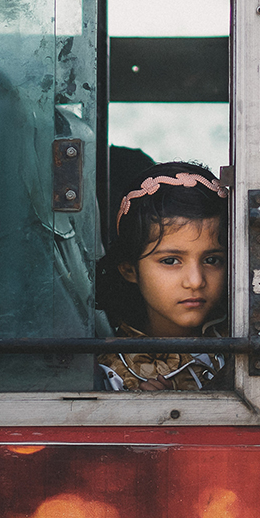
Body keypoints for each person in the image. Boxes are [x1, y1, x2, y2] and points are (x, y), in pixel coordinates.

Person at [96, 161, 229, 391]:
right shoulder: (111, 373)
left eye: (211, 260)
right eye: (170, 261)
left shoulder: (244, 346)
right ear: (130, 269)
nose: (196, 281)